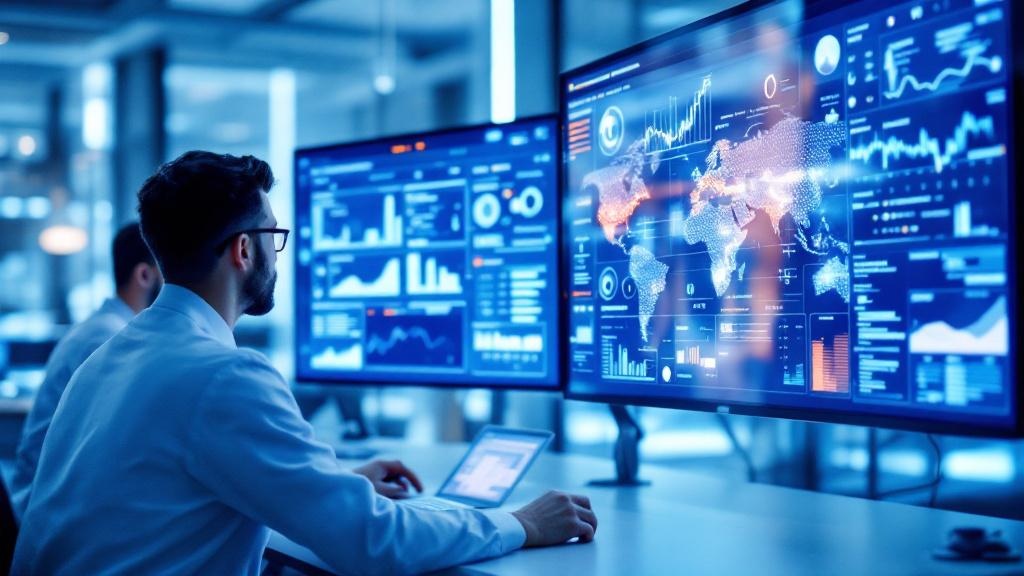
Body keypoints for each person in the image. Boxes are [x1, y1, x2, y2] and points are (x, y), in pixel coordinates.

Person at [13, 151, 597, 574]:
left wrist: (330, 483)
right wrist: (522, 523)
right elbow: (372, 543)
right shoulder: (223, 376)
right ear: (245, 249)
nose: (277, 250)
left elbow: (173, 484)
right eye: (273, 234)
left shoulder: (110, 358)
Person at [9, 222, 162, 519]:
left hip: (49, 499)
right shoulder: (108, 340)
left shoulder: (104, 328)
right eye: (169, 275)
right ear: (144, 275)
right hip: (47, 511)